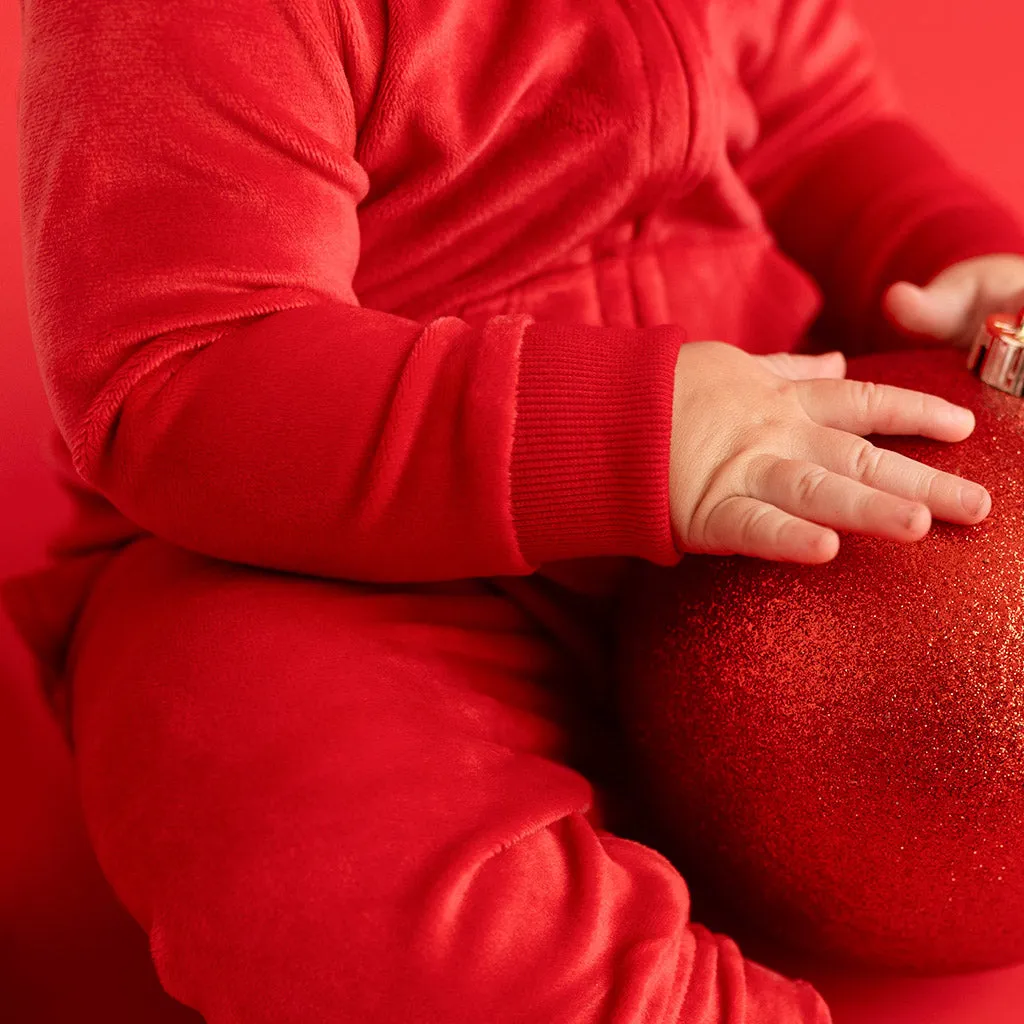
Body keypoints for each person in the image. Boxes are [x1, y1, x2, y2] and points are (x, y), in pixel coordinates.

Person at [6, 0, 1024, 1020]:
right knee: (291, 825)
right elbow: (187, 373)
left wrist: (951, 254)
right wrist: (638, 432)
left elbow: (813, 128)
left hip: (767, 461)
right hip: (322, 556)